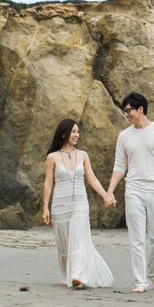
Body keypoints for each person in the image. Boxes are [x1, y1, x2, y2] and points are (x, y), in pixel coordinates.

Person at [103, 92, 154, 293]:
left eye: (128, 110)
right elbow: (119, 166)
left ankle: (153, 275)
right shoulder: (124, 136)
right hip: (133, 189)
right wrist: (110, 191)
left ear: (140, 109)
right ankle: (140, 281)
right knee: (136, 237)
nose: (126, 114)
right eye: (124, 111)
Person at [42, 118, 113, 288]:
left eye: (78, 132)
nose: (76, 135)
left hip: (80, 204)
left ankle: (78, 275)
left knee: (80, 240)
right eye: (73, 131)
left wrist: (106, 195)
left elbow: (92, 179)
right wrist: (45, 206)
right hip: (60, 205)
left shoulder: (83, 155)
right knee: (65, 243)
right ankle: (70, 275)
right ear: (64, 133)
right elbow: (48, 183)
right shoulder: (52, 157)